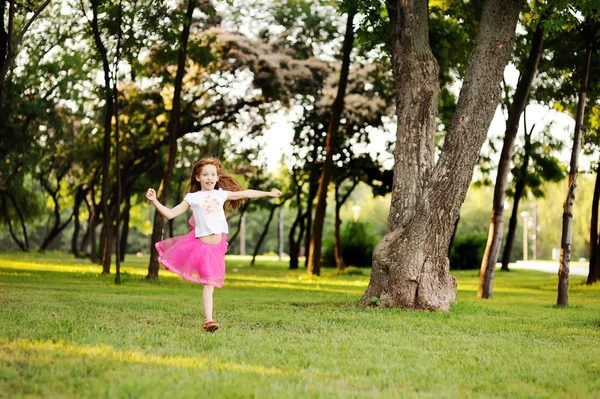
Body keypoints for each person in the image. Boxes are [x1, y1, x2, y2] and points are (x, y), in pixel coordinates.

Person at [146, 158, 282, 332]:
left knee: (210, 284)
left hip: (217, 248)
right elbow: (171, 214)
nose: (209, 178)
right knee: (208, 283)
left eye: (212, 175)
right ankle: (209, 321)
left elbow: (246, 193)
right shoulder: (193, 197)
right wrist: (155, 201)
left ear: (217, 178)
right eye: (205, 175)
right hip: (200, 248)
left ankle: (209, 321)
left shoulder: (221, 194)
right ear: (197, 177)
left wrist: (268, 194)